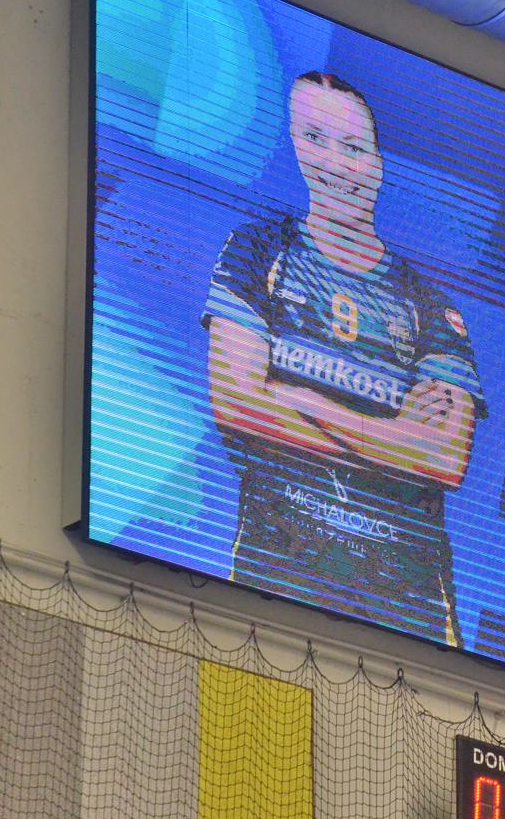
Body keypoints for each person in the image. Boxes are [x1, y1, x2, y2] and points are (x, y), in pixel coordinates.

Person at [202, 70, 485, 647]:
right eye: (315, 138)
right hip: (273, 585)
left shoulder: (430, 307)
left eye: (354, 147)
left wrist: (292, 397)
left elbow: (443, 459)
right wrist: (394, 432)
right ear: (294, 146)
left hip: (409, 613)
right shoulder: (258, 252)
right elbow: (237, 405)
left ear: (378, 164)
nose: (335, 163)